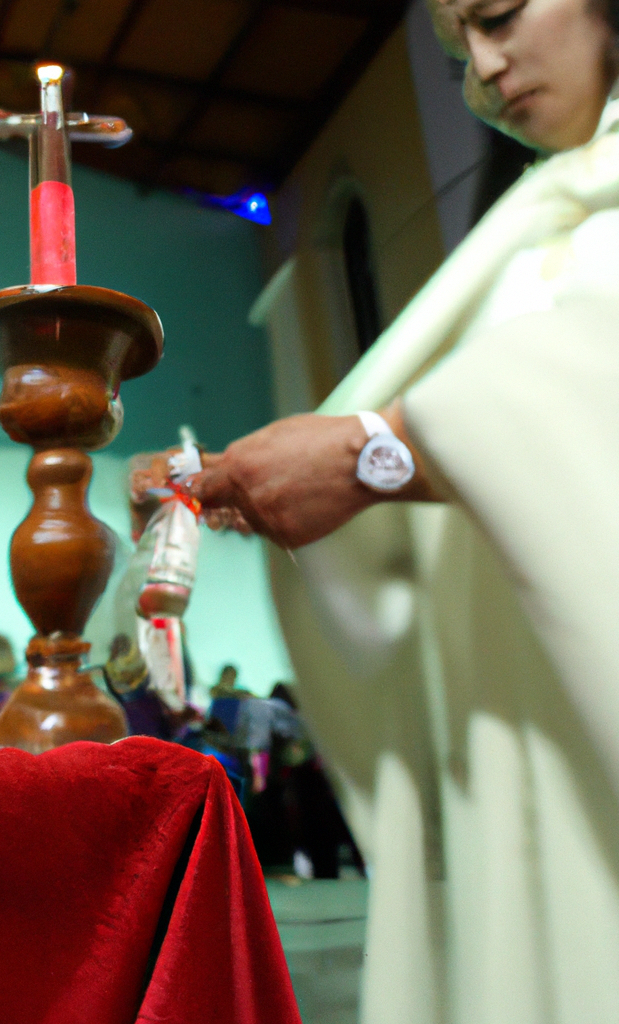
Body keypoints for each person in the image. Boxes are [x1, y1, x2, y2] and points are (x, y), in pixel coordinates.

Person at [137, 1, 619, 1020]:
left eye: (495, 17)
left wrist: (366, 453)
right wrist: (248, 477)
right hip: (530, 724)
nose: (485, 72)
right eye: (454, 58)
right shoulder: (543, 210)